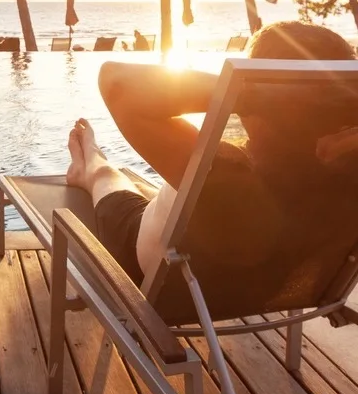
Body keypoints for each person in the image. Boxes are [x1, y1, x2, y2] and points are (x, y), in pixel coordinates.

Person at [66, 20, 358, 290]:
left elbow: (114, 79)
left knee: (106, 176)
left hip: (150, 260)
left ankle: (90, 163)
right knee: (154, 187)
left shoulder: (230, 173)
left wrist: (248, 94)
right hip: (263, 284)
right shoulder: (344, 173)